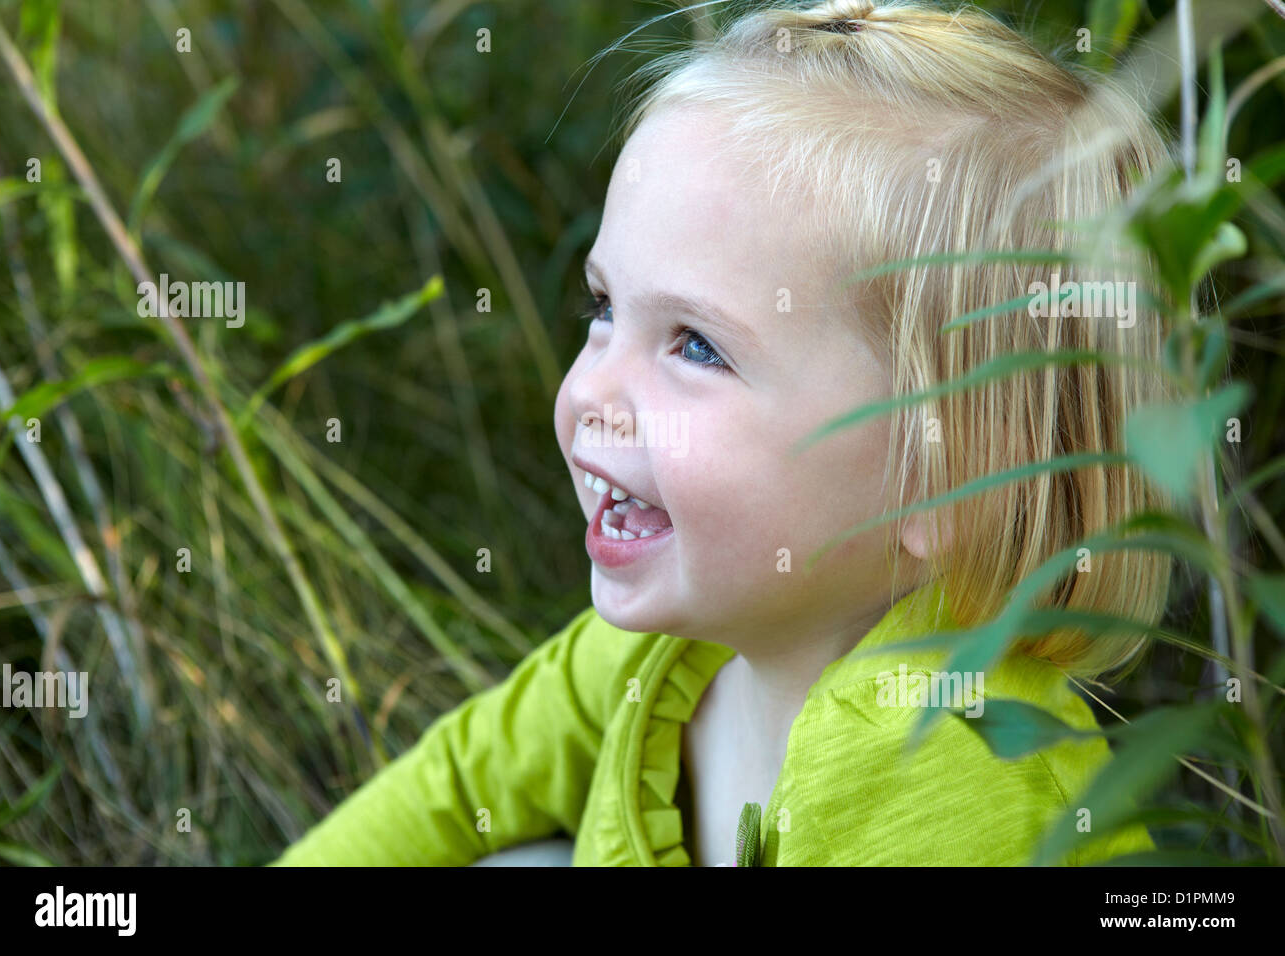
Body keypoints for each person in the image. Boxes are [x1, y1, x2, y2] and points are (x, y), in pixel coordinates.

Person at [273, 0, 1172, 867]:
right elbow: (456, 782)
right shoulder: (666, 653)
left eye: (696, 347)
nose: (593, 389)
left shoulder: (955, 777)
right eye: (602, 307)